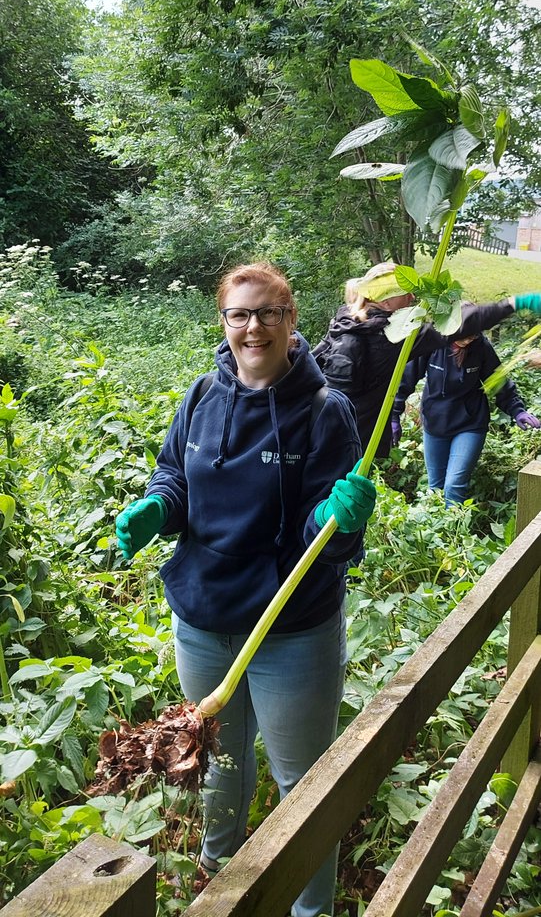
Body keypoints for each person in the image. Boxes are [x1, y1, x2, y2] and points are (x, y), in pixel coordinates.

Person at [115, 261, 376, 917]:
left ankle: (308, 908)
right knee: (219, 765)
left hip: (291, 629)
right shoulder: (201, 395)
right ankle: (217, 870)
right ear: (223, 322)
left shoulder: (326, 412)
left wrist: (336, 518)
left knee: (303, 784)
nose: (252, 326)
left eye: (268, 313)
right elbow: (173, 473)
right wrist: (156, 508)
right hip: (203, 618)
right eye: (239, 313)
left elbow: (333, 542)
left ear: (292, 324)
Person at [312, 264, 541, 459]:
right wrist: (514, 303)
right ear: (386, 302)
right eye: (406, 293)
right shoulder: (393, 335)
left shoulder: (345, 321)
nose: (412, 298)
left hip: (322, 430)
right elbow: (458, 326)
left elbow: (312, 363)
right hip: (352, 440)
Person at [391, 332, 541, 506]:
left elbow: (498, 380)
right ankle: (442, 530)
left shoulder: (480, 346)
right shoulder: (432, 343)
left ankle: (454, 527)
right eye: (467, 335)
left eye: (474, 336)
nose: (470, 339)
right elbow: (405, 380)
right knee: (436, 489)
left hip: (470, 424)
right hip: (435, 424)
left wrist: (518, 411)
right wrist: (393, 416)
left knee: (454, 485)